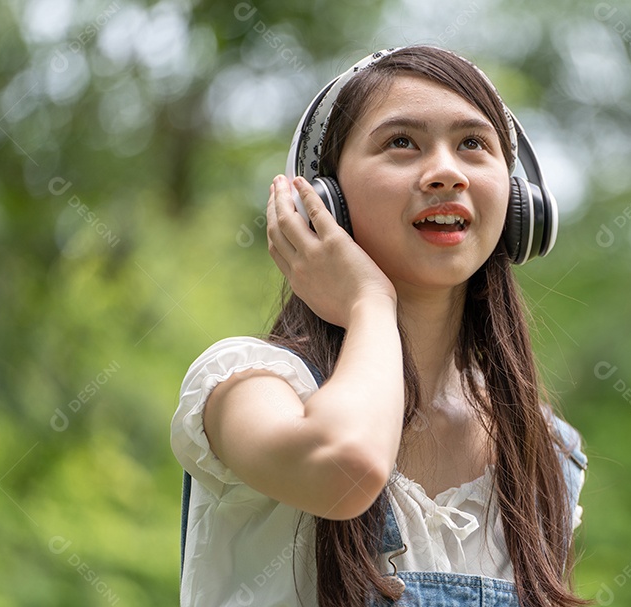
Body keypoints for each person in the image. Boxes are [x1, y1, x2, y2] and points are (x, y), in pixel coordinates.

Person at [171, 46, 588, 606]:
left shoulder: (545, 452)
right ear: (326, 200)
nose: (446, 173)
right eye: (401, 143)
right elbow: (344, 472)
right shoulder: (246, 386)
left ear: (518, 204)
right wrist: (369, 302)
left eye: (472, 143)